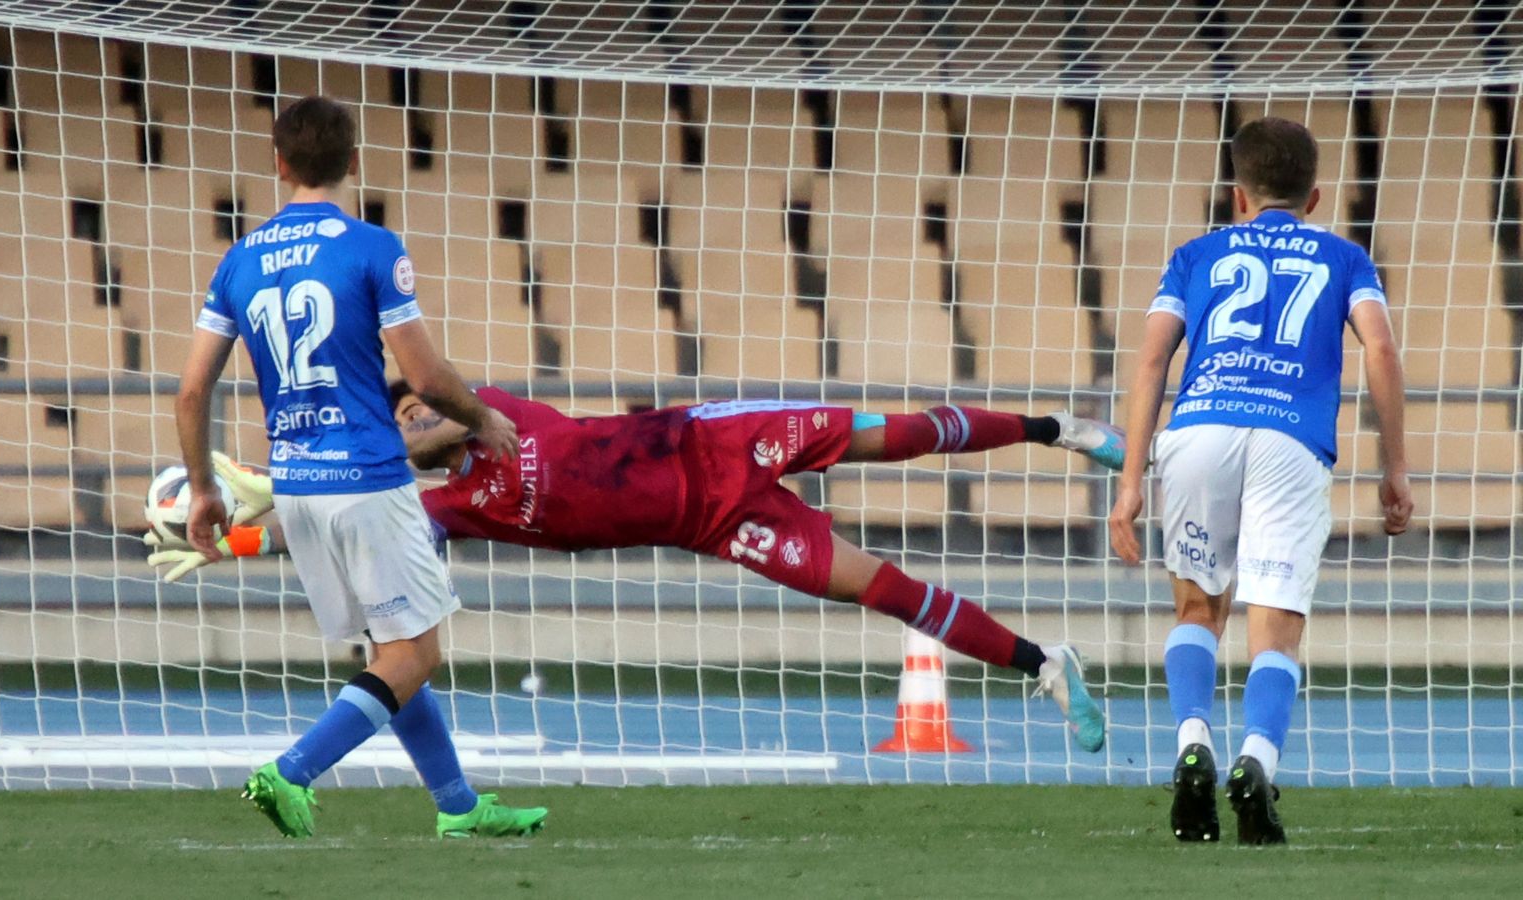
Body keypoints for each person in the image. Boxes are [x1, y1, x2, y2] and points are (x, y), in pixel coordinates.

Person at [155, 381, 1129, 752]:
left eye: (416, 409)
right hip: (716, 522)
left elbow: (450, 411)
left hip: (722, 437)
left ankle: (1057, 430)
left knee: (902, 435)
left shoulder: (491, 415)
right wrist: (238, 535)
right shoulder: (444, 507)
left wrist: (409, 423)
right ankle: (1045, 665)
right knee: (887, 591)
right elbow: (329, 525)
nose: (414, 420)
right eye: (402, 416)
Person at [174, 94, 545, 840]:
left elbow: (191, 392)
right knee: (417, 652)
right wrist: (484, 418)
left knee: (390, 648)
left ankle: (459, 806)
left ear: (278, 164)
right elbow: (428, 379)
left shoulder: (239, 259)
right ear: (352, 162)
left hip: (301, 486)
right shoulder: (373, 246)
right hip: (370, 478)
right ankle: (292, 770)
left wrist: (205, 490)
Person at [1108, 117, 1413, 845]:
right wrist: (1392, 466)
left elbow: (1152, 360)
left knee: (1196, 609)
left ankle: (1192, 743)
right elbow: (1380, 347)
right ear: (1314, 196)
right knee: (1274, 622)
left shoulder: (1196, 254)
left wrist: (1129, 479)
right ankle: (1256, 760)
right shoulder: (1345, 258)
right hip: (1290, 439)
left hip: (1200, 430)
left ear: (1238, 194)